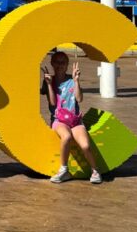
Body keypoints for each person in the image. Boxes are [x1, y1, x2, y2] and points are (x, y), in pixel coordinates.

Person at [42, 51, 102, 184]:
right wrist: (49, 84)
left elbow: (79, 99)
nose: (60, 65)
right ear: (52, 63)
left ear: (67, 65)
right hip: (59, 120)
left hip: (75, 120)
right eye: (57, 62)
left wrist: (76, 81)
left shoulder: (71, 79)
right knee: (67, 137)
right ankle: (64, 170)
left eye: (63, 62)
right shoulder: (48, 80)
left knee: (85, 145)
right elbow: (52, 103)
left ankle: (95, 171)